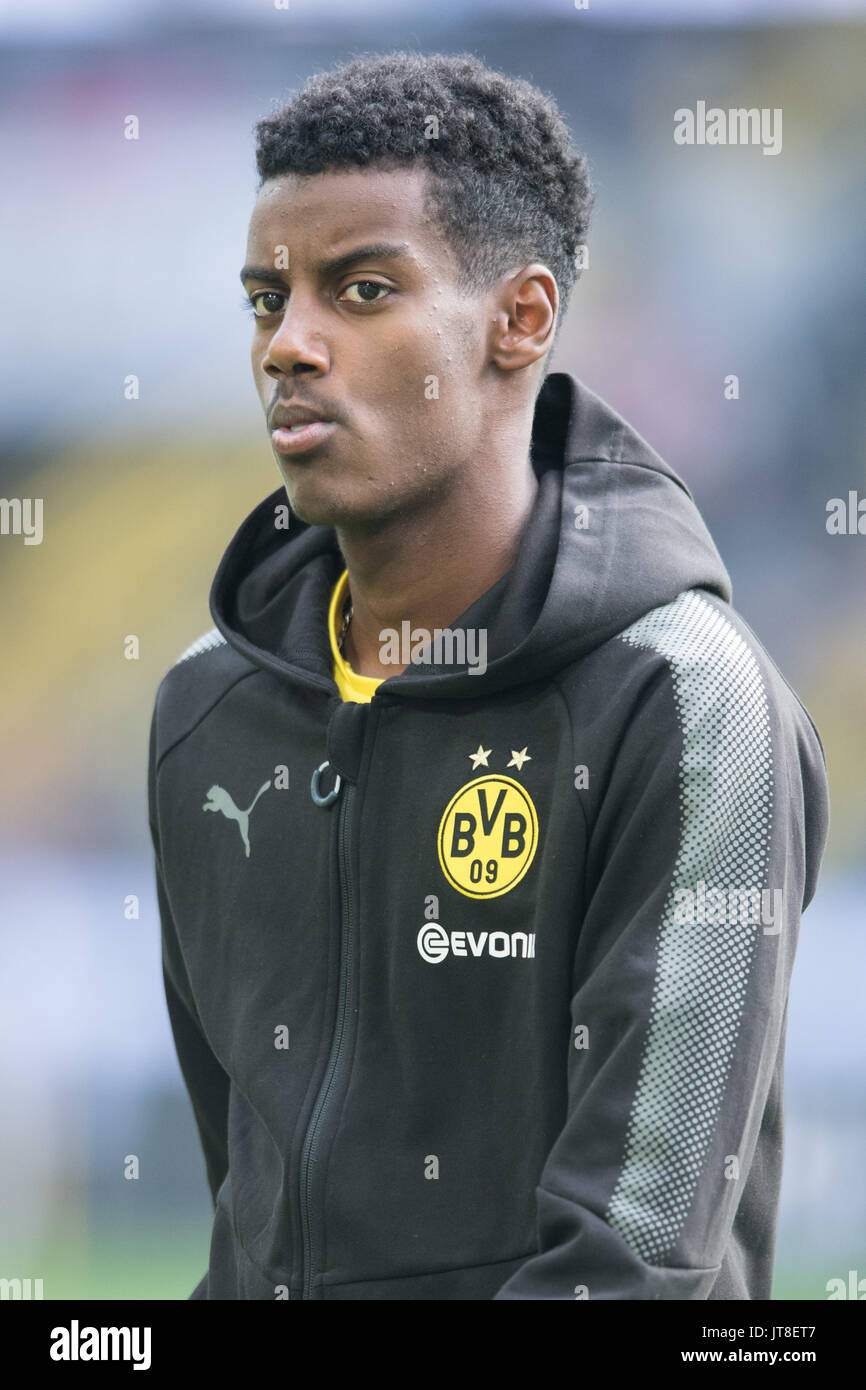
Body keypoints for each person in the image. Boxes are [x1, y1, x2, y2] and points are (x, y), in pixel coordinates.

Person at [147, 52, 829, 1300]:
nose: (287, 346)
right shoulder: (205, 710)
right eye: (265, 299)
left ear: (519, 320)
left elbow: (632, 1264)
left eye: (358, 290)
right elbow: (244, 1212)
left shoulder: (680, 701)